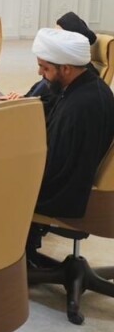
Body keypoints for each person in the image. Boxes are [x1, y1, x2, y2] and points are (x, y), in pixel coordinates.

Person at [30, 28, 114, 220]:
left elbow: (55, 168)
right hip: (59, 179)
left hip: (59, 195)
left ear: (66, 68)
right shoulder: (83, 85)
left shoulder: (80, 107)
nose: (40, 73)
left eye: (45, 68)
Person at [0, 12, 98, 115]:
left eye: (57, 35)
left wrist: (25, 104)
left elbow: (51, 108)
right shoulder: (55, 68)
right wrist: (24, 98)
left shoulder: (77, 77)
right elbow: (40, 93)